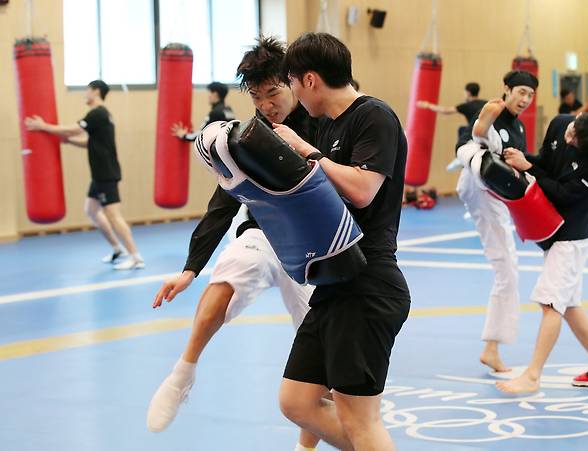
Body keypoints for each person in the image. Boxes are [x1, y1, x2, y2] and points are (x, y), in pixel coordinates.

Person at [147, 37, 322, 451]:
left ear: (294, 84)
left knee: (321, 361)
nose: (266, 105)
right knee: (227, 278)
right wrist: (190, 268)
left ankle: (305, 448)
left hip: (317, 250)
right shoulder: (249, 137)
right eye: (257, 97)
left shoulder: (326, 122)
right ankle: (183, 372)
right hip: (264, 234)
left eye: (273, 93)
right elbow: (222, 202)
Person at [273, 32, 410, 451]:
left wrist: (305, 151)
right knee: (296, 401)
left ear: (309, 80)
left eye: (292, 83)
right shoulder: (328, 125)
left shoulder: (374, 117)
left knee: (359, 421)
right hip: (334, 285)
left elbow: (363, 189)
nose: (293, 93)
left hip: (368, 284)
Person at [498, 112, 588, 393]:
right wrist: (524, 159)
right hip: (553, 231)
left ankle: (532, 376)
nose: (569, 138)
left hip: (572, 237)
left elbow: (562, 193)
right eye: (573, 130)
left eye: (575, 141)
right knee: (569, 305)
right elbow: (547, 162)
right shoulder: (561, 123)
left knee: (551, 304)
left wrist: (529, 168)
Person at [455, 70, 538, 373]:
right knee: (507, 271)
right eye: (521, 92)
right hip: (480, 183)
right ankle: (492, 348)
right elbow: (479, 132)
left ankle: (493, 347)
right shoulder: (495, 110)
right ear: (507, 89)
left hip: (486, 185)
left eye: (530, 95)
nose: (526, 99)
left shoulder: (518, 128)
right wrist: (486, 119)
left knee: (507, 269)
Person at [24, 80, 144, 270]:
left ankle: (136, 257)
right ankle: (117, 248)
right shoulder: (102, 116)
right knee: (91, 210)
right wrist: (70, 142)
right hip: (99, 174)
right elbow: (91, 143)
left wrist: (44, 126)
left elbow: (74, 129)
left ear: (96, 92)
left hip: (106, 173)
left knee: (113, 215)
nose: (84, 93)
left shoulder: (98, 113)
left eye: (87, 90)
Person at [418, 82, 487, 172]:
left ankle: (460, 155)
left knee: (462, 129)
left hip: (474, 135)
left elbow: (445, 110)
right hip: (486, 134)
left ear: (468, 93)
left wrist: (428, 105)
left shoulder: (466, 106)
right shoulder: (486, 103)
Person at [171, 82, 235, 141]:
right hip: (229, 149)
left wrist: (184, 135)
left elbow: (202, 134)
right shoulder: (228, 109)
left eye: (209, 93)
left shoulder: (215, 112)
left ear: (215, 94)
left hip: (219, 150)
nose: (208, 96)